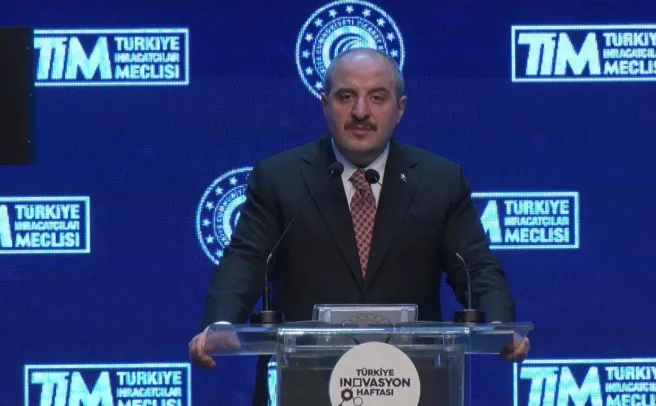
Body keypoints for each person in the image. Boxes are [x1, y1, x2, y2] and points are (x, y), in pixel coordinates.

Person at [189, 47, 530, 405]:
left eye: (377, 98)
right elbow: (246, 260)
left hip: (411, 385)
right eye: (346, 97)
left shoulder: (439, 181)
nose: (361, 112)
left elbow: (476, 266)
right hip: (306, 386)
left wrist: (498, 326)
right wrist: (221, 323)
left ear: (400, 109)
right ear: (325, 104)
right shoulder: (279, 178)